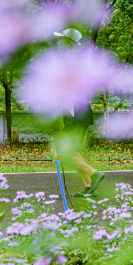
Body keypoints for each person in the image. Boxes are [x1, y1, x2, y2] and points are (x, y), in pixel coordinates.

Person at [52, 28, 106, 198]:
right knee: (72, 152)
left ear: (69, 41)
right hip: (75, 111)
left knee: (63, 153)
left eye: (61, 39)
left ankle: (95, 174)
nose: (58, 42)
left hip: (75, 112)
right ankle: (90, 185)